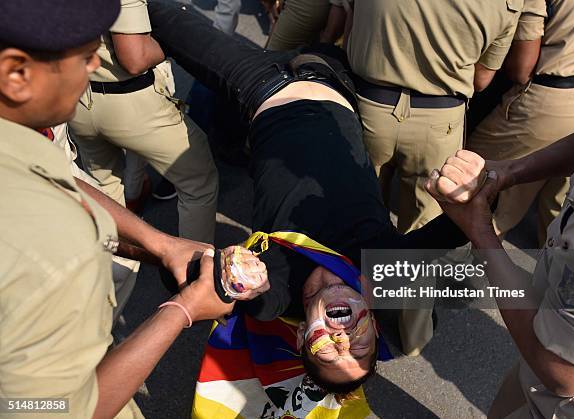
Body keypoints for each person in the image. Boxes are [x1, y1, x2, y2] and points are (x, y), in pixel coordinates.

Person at [147, 0, 481, 391]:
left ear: (304, 333)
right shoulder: (378, 271)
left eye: (329, 352)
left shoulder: (277, 292)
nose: (344, 340)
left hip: (258, 87)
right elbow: (451, 232)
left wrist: (229, 278)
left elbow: (195, 280)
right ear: (373, 324)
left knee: (162, 17)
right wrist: (475, 191)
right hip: (334, 76)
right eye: (360, 351)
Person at [0, 1, 251, 417]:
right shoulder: (52, 247)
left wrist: (161, 244)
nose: (96, 62)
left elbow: (58, 177)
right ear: (16, 74)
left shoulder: (19, 145)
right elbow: (61, 410)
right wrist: (182, 310)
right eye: (83, 57)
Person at [428, 0, 574, 416]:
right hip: (546, 348)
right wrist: (509, 171)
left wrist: (480, 232)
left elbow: (565, 373)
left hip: (571, 400)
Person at [344, 0, 523, 357]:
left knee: (352, 212)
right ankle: (411, 334)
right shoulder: (507, 3)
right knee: (422, 234)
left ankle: (339, 312)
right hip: (439, 118)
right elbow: (483, 77)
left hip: (369, 104)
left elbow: (347, 25)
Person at [69, 0, 219, 244]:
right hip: (132, 100)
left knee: (105, 187)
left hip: (76, 96)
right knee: (198, 182)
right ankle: (195, 271)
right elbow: (135, 59)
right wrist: (176, 41)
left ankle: (117, 271)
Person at [468, 0, 574, 245]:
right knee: (560, 211)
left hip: (545, 102)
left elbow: (521, 68)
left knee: (478, 192)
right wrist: (512, 170)